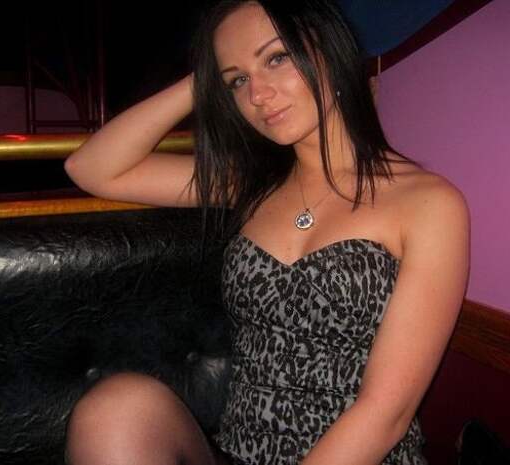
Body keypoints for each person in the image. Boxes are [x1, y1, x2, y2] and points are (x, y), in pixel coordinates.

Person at [62, 1, 470, 464]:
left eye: (276, 58)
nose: (257, 94)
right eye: (237, 80)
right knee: (114, 408)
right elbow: (92, 167)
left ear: (329, 52)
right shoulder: (250, 184)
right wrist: (205, 78)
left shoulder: (428, 203)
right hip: (240, 451)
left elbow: (385, 413)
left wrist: (233, 66)